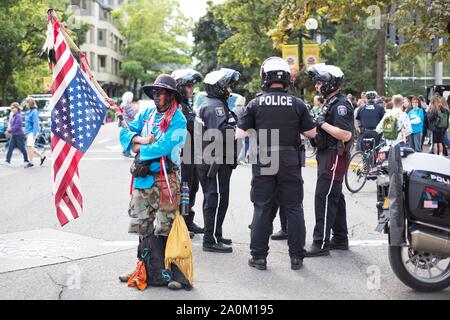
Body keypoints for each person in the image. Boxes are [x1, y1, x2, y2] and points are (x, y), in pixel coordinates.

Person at [236, 57, 316, 270]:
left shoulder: (255, 103)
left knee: (262, 207)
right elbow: (311, 132)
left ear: (265, 78)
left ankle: (259, 257)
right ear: (287, 79)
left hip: (265, 158)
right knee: (293, 207)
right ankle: (297, 257)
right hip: (290, 157)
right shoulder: (298, 103)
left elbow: (240, 133)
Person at [118, 74, 188, 290]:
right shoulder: (147, 113)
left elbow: (165, 147)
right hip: (143, 179)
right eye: (156, 92)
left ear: (171, 95)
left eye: (163, 92)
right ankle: (143, 268)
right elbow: (124, 132)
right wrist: (138, 140)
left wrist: (138, 148)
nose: (158, 96)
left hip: (166, 179)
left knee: (166, 226)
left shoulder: (178, 119)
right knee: (142, 225)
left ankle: (171, 272)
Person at [304, 63, 354, 257]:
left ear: (329, 83)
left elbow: (346, 134)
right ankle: (340, 238)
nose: (317, 86)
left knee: (324, 196)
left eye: (319, 82)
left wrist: (322, 124)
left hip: (335, 154)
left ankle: (320, 243)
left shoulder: (340, 104)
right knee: (335, 196)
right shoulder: (331, 102)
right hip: (328, 154)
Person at [196, 68, 240, 253]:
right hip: (214, 161)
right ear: (220, 87)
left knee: (217, 197)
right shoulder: (216, 107)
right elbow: (222, 134)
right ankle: (210, 239)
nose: (230, 89)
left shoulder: (214, 103)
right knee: (215, 198)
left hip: (211, 159)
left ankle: (216, 233)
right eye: (228, 85)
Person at [171, 69, 205, 237]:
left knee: (192, 189)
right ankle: (180, 225)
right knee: (183, 190)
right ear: (180, 87)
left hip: (192, 156)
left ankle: (188, 221)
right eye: (189, 86)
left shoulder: (186, 106)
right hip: (182, 157)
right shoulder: (176, 107)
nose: (192, 89)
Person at [2, 102, 30, 167]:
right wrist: (9, 130)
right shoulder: (14, 116)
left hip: (19, 135)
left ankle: (26, 161)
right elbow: (12, 125)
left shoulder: (18, 116)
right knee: (10, 148)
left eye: (13, 108)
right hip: (14, 134)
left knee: (22, 148)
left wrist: (9, 131)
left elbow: (17, 126)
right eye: (11, 108)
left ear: (17, 108)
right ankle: (7, 161)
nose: (12, 109)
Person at [24, 98, 46, 167]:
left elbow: (36, 123)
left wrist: (34, 134)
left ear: (29, 103)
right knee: (30, 147)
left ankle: (31, 162)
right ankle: (42, 157)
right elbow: (27, 123)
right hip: (29, 131)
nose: (25, 104)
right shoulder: (29, 111)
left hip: (33, 131)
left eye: (26, 103)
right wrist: (26, 133)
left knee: (29, 146)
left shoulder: (34, 112)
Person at [120, 91, 137, 158]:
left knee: (126, 137)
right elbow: (132, 114)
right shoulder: (128, 105)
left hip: (124, 122)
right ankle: (127, 152)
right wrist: (136, 109)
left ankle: (125, 151)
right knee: (130, 138)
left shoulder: (122, 104)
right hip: (129, 123)